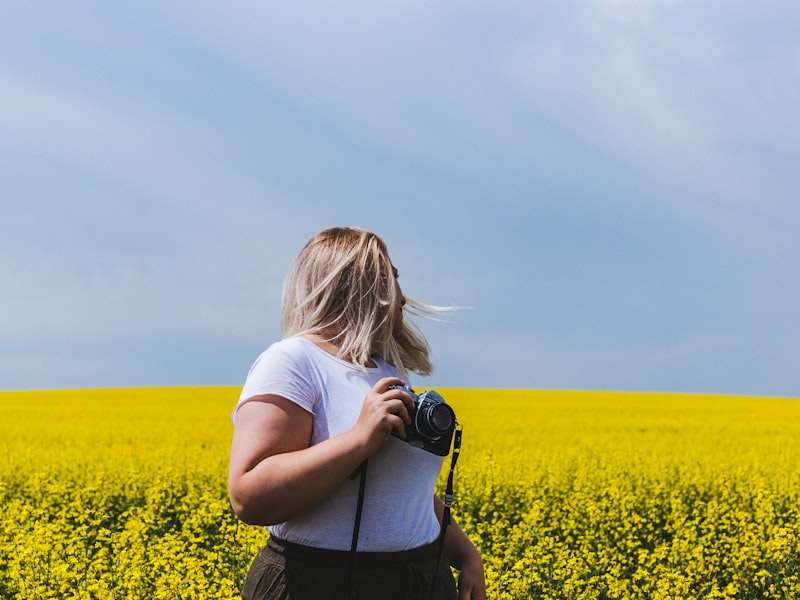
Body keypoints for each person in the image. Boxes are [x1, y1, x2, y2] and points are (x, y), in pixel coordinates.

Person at [228, 226, 486, 600]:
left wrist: (465, 555)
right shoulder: (292, 362)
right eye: (392, 277)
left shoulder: (389, 372)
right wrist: (358, 441)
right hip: (318, 582)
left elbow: (405, 494)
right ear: (363, 284)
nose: (403, 296)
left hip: (419, 579)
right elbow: (248, 496)